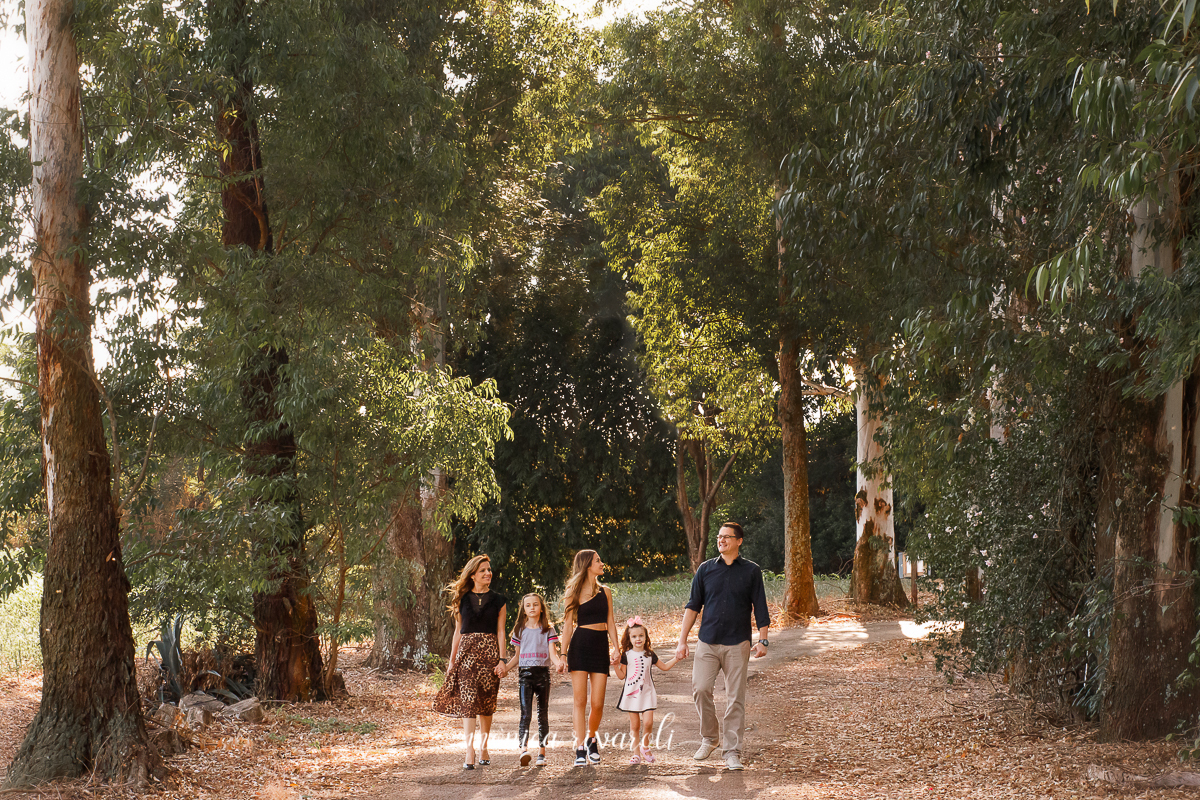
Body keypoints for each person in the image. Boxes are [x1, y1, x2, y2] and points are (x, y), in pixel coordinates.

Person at [674, 521, 769, 771]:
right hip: (708, 641)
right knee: (701, 689)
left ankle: (732, 751)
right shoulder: (705, 570)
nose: (721, 540)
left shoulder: (751, 571)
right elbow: (693, 606)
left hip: (738, 644)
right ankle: (710, 737)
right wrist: (682, 640)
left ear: (739, 541)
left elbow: (760, 606)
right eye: (719, 537)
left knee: (735, 697)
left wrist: (763, 639)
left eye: (727, 537)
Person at [433, 554, 508, 770]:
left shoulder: (499, 600)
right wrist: (451, 661)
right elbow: (458, 631)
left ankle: (484, 746)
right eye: (483, 570)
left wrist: (502, 660)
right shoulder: (462, 598)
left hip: (489, 653)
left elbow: (501, 631)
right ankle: (469, 749)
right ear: (473, 574)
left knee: (486, 702)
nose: (488, 573)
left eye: (489, 570)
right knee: (467, 701)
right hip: (466, 654)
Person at [559, 549, 620, 766]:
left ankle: (591, 738)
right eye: (598, 561)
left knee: (598, 703)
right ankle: (579, 747)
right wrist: (563, 655)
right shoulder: (572, 592)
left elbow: (610, 621)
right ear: (587, 565)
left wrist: (617, 648)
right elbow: (567, 626)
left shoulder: (606, 591)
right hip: (580, 645)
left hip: (600, 646)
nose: (602, 563)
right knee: (580, 701)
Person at [499, 592, 565, 767]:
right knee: (526, 713)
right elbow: (517, 657)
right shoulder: (520, 630)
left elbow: (553, 654)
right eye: (528, 605)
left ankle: (542, 752)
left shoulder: (548, 630)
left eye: (535, 604)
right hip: (525, 676)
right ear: (524, 609)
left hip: (542, 675)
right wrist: (504, 668)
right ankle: (524, 749)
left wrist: (559, 664)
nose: (532, 608)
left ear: (541, 607)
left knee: (542, 714)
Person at [614, 616, 680, 765]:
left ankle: (645, 747)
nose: (638, 639)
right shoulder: (627, 655)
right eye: (634, 636)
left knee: (648, 723)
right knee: (635, 725)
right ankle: (636, 754)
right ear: (629, 638)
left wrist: (676, 658)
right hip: (632, 694)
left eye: (641, 636)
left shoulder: (650, 654)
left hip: (647, 693)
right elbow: (621, 676)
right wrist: (614, 665)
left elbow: (664, 667)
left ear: (646, 637)